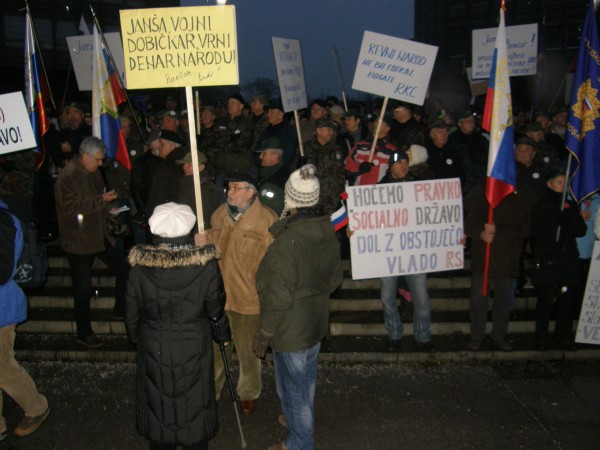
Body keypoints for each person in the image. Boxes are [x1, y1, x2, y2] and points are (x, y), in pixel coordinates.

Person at [125, 202, 230, 450]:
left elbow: (131, 314)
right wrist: (222, 335)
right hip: (194, 342)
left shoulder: (139, 270)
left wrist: (139, 339)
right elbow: (215, 308)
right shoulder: (205, 267)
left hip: (155, 344)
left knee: (158, 401)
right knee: (194, 399)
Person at [253, 164, 343, 450]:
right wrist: (312, 292)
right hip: (315, 320)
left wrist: (265, 333)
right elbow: (335, 278)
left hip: (290, 327)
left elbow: (277, 297)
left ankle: (299, 442)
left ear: (289, 199)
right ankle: (298, 419)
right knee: (306, 380)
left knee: (294, 388)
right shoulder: (326, 231)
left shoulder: (287, 243)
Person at [195, 173, 277, 416]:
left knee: (248, 352)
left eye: (235, 188)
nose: (229, 192)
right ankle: (212, 390)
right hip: (219, 296)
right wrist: (203, 240)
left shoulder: (266, 219)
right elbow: (213, 243)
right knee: (216, 350)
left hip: (248, 299)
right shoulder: (220, 213)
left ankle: (248, 393)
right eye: (228, 188)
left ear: (250, 192)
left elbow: (272, 263)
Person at [54, 136, 130, 347]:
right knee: (82, 288)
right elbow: (70, 209)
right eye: (97, 159)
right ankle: (84, 332)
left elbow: (97, 202)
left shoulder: (94, 172)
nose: (100, 163)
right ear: (85, 156)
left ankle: (120, 309)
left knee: (124, 268)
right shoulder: (68, 177)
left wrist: (109, 208)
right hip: (78, 240)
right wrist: (101, 201)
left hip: (97, 235)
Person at [464, 175, 537, 352]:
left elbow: (525, 228)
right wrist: (480, 234)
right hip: (483, 258)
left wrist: (499, 229)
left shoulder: (518, 197)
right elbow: (470, 222)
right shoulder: (482, 192)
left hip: (507, 258)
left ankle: (499, 335)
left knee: (502, 302)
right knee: (478, 301)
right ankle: (477, 335)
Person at [0, 200, 50, 440]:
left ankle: (36, 406)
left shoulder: (3, 220)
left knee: (4, 367)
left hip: (2, 309)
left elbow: (3, 270)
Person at [377, 151, 436, 352]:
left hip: (414, 252)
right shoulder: (378, 190)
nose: (403, 165)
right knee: (387, 297)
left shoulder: (419, 188)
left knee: (422, 297)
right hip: (389, 253)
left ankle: (423, 336)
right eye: (398, 162)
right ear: (390, 166)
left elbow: (433, 215)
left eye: (405, 162)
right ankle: (394, 334)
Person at [531, 167, 587, 349]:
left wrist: (568, 218)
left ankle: (563, 336)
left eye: (564, 182)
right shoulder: (542, 205)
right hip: (549, 258)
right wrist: (557, 218)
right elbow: (539, 231)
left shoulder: (570, 205)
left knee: (566, 300)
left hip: (567, 258)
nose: (562, 185)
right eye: (558, 182)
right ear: (549, 184)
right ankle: (541, 337)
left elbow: (581, 230)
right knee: (546, 300)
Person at [177, 151, 221, 230]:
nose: (184, 167)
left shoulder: (204, 188)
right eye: (184, 164)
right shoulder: (189, 184)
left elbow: (204, 218)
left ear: (201, 167)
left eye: (189, 164)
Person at [256, 137, 291, 216]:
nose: (260, 157)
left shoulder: (283, 178)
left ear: (275, 156)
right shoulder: (264, 172)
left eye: (264, 153)